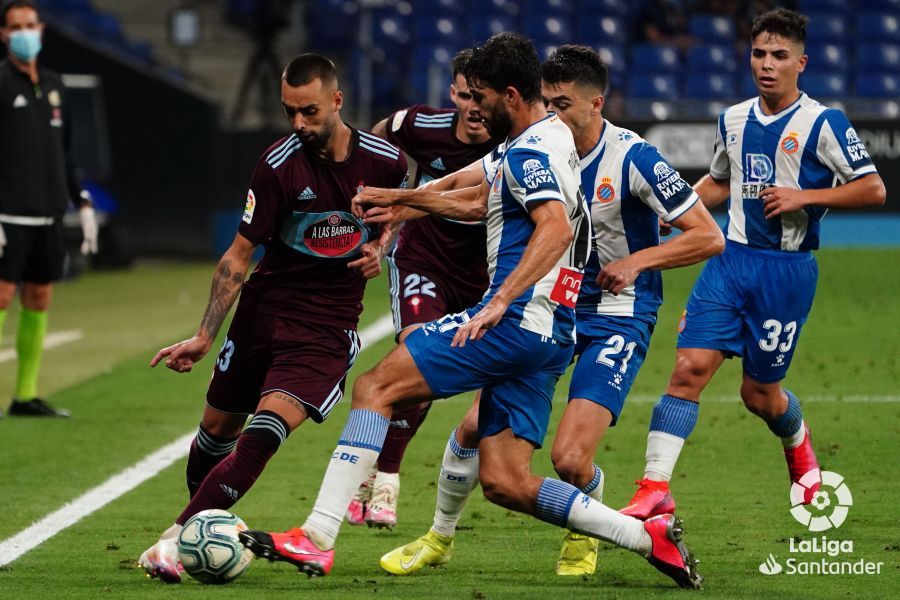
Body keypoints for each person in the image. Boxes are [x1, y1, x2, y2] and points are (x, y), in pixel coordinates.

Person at [240, 33, 703, 590]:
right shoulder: (548, 135)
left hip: (515, 320)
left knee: (374, 388)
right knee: (506, 481)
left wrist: (501, 299)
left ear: (509, 95)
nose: (472, 109)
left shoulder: (532, 149)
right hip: (553, 330)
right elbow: (475, 192)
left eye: (480, 97)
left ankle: (317, 538)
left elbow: (553, 225)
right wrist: (403, 201)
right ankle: (644, 537)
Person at [376, 45, 723, 578]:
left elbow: (708, 236)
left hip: (617, 313)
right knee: (472, 427)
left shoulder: (634, 158)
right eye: (547, 101)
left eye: (563, 103)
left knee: (569, 460)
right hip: (552, 308)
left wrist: (636, 261)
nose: (552, 113)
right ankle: (438, 537)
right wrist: (404, 203)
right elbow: (466, 184)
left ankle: (588, 534)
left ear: (596, 104)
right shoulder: (536, 144)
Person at [137, 53, 408, 583]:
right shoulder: (277, 166)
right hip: (263, 313)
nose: (299, 125)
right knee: (216, 432)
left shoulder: (387, 162)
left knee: (263, 432)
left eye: (308, 112)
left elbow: (392, 217)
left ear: (336, 100)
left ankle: (174, 541)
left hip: (325, 328)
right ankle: (204, 525)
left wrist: (382, 248)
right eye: (289, 113)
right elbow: (238, 256)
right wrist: (203, 335)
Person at [621, 8, 886, 520]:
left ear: (801, 63)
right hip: (729, 260)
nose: (767, 64)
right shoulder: (732, 118)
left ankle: (800, 447)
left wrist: (802, 196)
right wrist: (679, 213)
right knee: (688, 369)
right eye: (759, 54)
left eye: (779, 56)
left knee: (759, 395)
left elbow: (873, 187)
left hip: (786, 273)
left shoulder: (823, 122)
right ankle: (654, 487)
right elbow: (721, 180)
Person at [345, 48, 499, 530]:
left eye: (481, 96)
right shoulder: (418, 125)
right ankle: (387, 474)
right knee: (417, 355)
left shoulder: (512, 141)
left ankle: (374, 467)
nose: (473, 107)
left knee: (441, 381)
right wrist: (378, 202)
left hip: (486, 276)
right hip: (424, 261)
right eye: (464, 95)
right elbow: (376, 140)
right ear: (451, 94)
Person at [0, 0, 98, 418]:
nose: (25, 32)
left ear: (41, 28)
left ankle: (25, 395)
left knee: (39, 296)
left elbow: (67, 152)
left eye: (30, 24)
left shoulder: (55, 85)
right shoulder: (0, 83)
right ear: (3, 35)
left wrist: (83, 202)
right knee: (2, 295)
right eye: (16, 26)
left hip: (49, 215)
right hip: (7, 216)